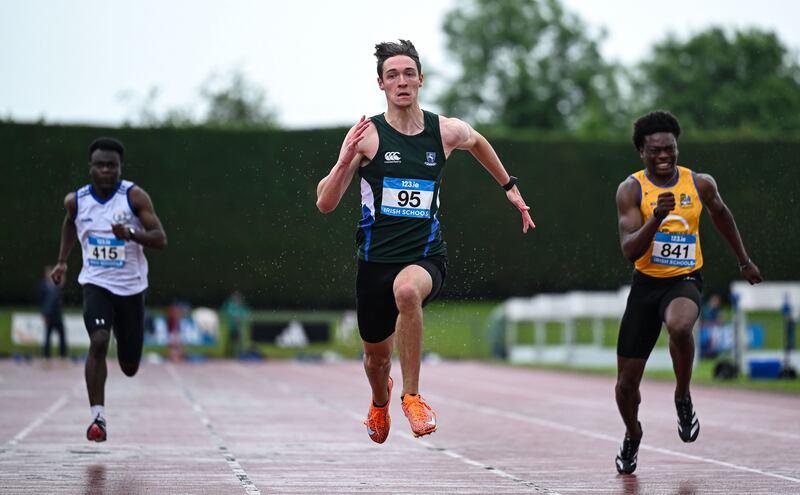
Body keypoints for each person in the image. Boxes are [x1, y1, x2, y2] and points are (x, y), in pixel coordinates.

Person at [316, 40, 535, 444]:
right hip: (374, 264)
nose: (402, 81)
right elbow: (325, 203)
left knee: (407, 292)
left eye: (409, 73)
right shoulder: (366, 137)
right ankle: (379, 400)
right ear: (380, 84)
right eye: (393, 75)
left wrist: (509, 186)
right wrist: (345, 158)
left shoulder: (444, 130)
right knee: (375, 359)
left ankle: (412, 397)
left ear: (421, 79)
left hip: (425, 257)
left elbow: (479, 141)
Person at [613, 111, 762, 474]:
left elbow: (722, 215)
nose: (664, 156)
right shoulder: (631, 190)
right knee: (625, 387)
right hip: (646, 286)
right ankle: (633, 434)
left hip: (685, 279)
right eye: (655, 151)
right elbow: (630, 250)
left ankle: (682, 395)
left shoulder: (699, 184)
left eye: (670, 149)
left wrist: (743, 260)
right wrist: (655, 219)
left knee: (680, 327)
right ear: (641, 152)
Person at [50, 137, 167, 442]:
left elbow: (160, 238)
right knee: (99, 340)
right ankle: (97, 418)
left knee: (129, 366)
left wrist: (130, 233)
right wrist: (62, 261)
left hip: (130, 289)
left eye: (111, 166)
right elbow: (69, 223)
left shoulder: (134, 197)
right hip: (96, 283)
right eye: (100, 165)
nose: (105, 170)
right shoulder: (76, 201)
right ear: (90, 167)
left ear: (119, 168)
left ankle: (124, 350)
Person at [39, 265, 67, 359]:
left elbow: (63, 282)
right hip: (49, 314)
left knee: (62, 335)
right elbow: (41, 301)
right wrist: (44, 313)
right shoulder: (43, 285)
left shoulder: (56, 283)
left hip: (57, 315)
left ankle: (63, 355)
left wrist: (60, 273)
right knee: (47, 336)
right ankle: (46, 355)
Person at [221, 291, 250, 358]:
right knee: (231, 341)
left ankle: (238, 354)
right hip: (231, 327)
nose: (237, 299)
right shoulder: (229, 305)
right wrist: (234, 318)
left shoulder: (242, 305)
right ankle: (228, 354)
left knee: (240, 341)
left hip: (240, 327)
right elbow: (226, 312)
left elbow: (246, 313)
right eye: (236, 297)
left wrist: (241, 318)